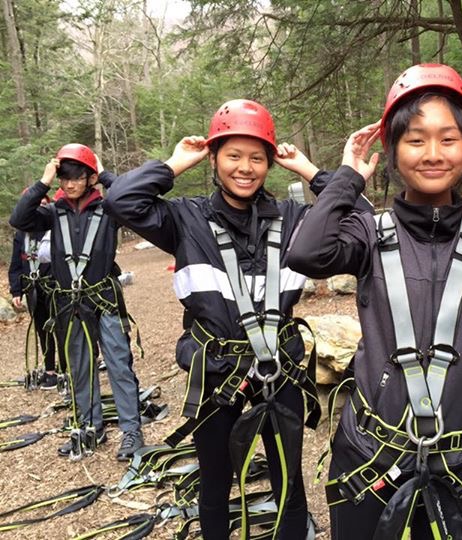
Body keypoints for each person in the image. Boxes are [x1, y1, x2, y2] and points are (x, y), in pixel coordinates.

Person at [287, 63, 462, 540]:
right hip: (370, 457)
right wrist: (347, 178)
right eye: (415, 140)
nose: (432, 154)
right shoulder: (367, 233)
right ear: (392, 150)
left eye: (449, 139)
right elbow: (307, 253)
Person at [103, 98, 372, 540]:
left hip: (280, 369)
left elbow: (363, 220)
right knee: (214, 482)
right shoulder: (185, 219)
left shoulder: (294, 218)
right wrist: (175, 164)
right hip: (216, 369)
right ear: (214, 159)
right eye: (232, 156)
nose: (245, 168)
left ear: (270, 164)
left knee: (289, 482)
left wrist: (310, 171)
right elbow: (119, 201)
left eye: (257, 158)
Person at [9, 144, 144, 461]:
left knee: (118, 364)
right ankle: (89, 427)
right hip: (70, 304)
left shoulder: (109, 210)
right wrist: (44, 182)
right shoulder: (53, 213)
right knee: (80, 368)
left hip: (104, 299)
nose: (69, 185)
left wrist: (105, 174)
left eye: (77, 178)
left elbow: (134, 197)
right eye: (64, 178)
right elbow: (19, 218)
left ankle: (132, 432)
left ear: (90, 178)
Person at [9, 193, 60, 390]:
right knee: (42, 329)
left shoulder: (54, 228)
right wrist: (16, 291)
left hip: (54, 287)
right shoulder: (21, 234)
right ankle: (50, 370)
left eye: (43, 205)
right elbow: (16, 264)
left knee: (61, 327)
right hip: (33, 289)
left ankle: (68, 367)